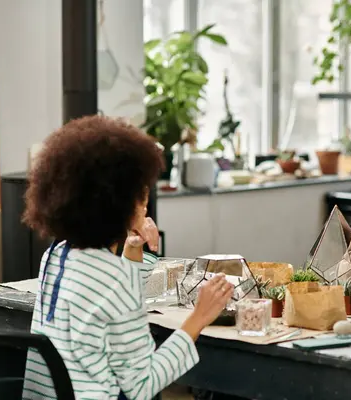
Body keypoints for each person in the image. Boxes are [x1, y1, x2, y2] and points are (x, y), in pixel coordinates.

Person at [21, 115, 234, 399]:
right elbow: (142, 385)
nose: (146, 206)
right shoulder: (114, 280)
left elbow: (111, 302)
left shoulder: (55, 257)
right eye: (142, 197)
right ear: (117, 203)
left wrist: (132, 248)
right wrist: (199, 317)